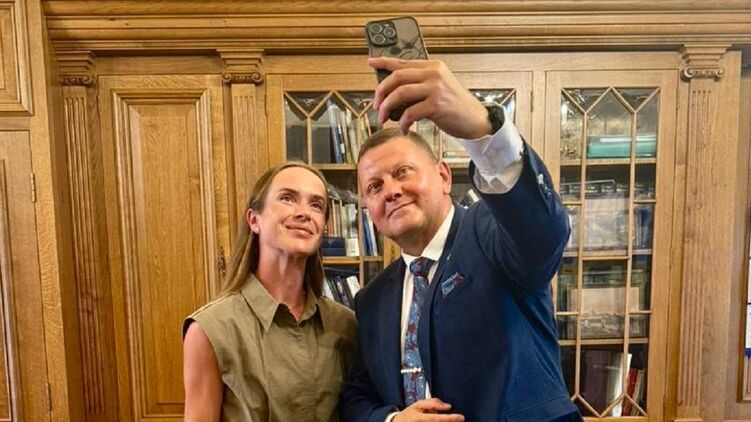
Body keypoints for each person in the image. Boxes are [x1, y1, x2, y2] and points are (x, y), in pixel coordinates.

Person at [340, 57, 582, 422]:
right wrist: (392, 420)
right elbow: (358, 396)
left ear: (443, 176)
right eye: (374, 186)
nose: (390, 191)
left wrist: (483, 130)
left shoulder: (492, 231)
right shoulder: (370, 300)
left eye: (403, 172)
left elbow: (542, 233)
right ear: (367, 208)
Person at [183, 162, 357, 422]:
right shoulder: (209, 330)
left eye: (316, 205)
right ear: (254, 220)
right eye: (287, 198)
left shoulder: (345, 324)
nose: (304, 213)